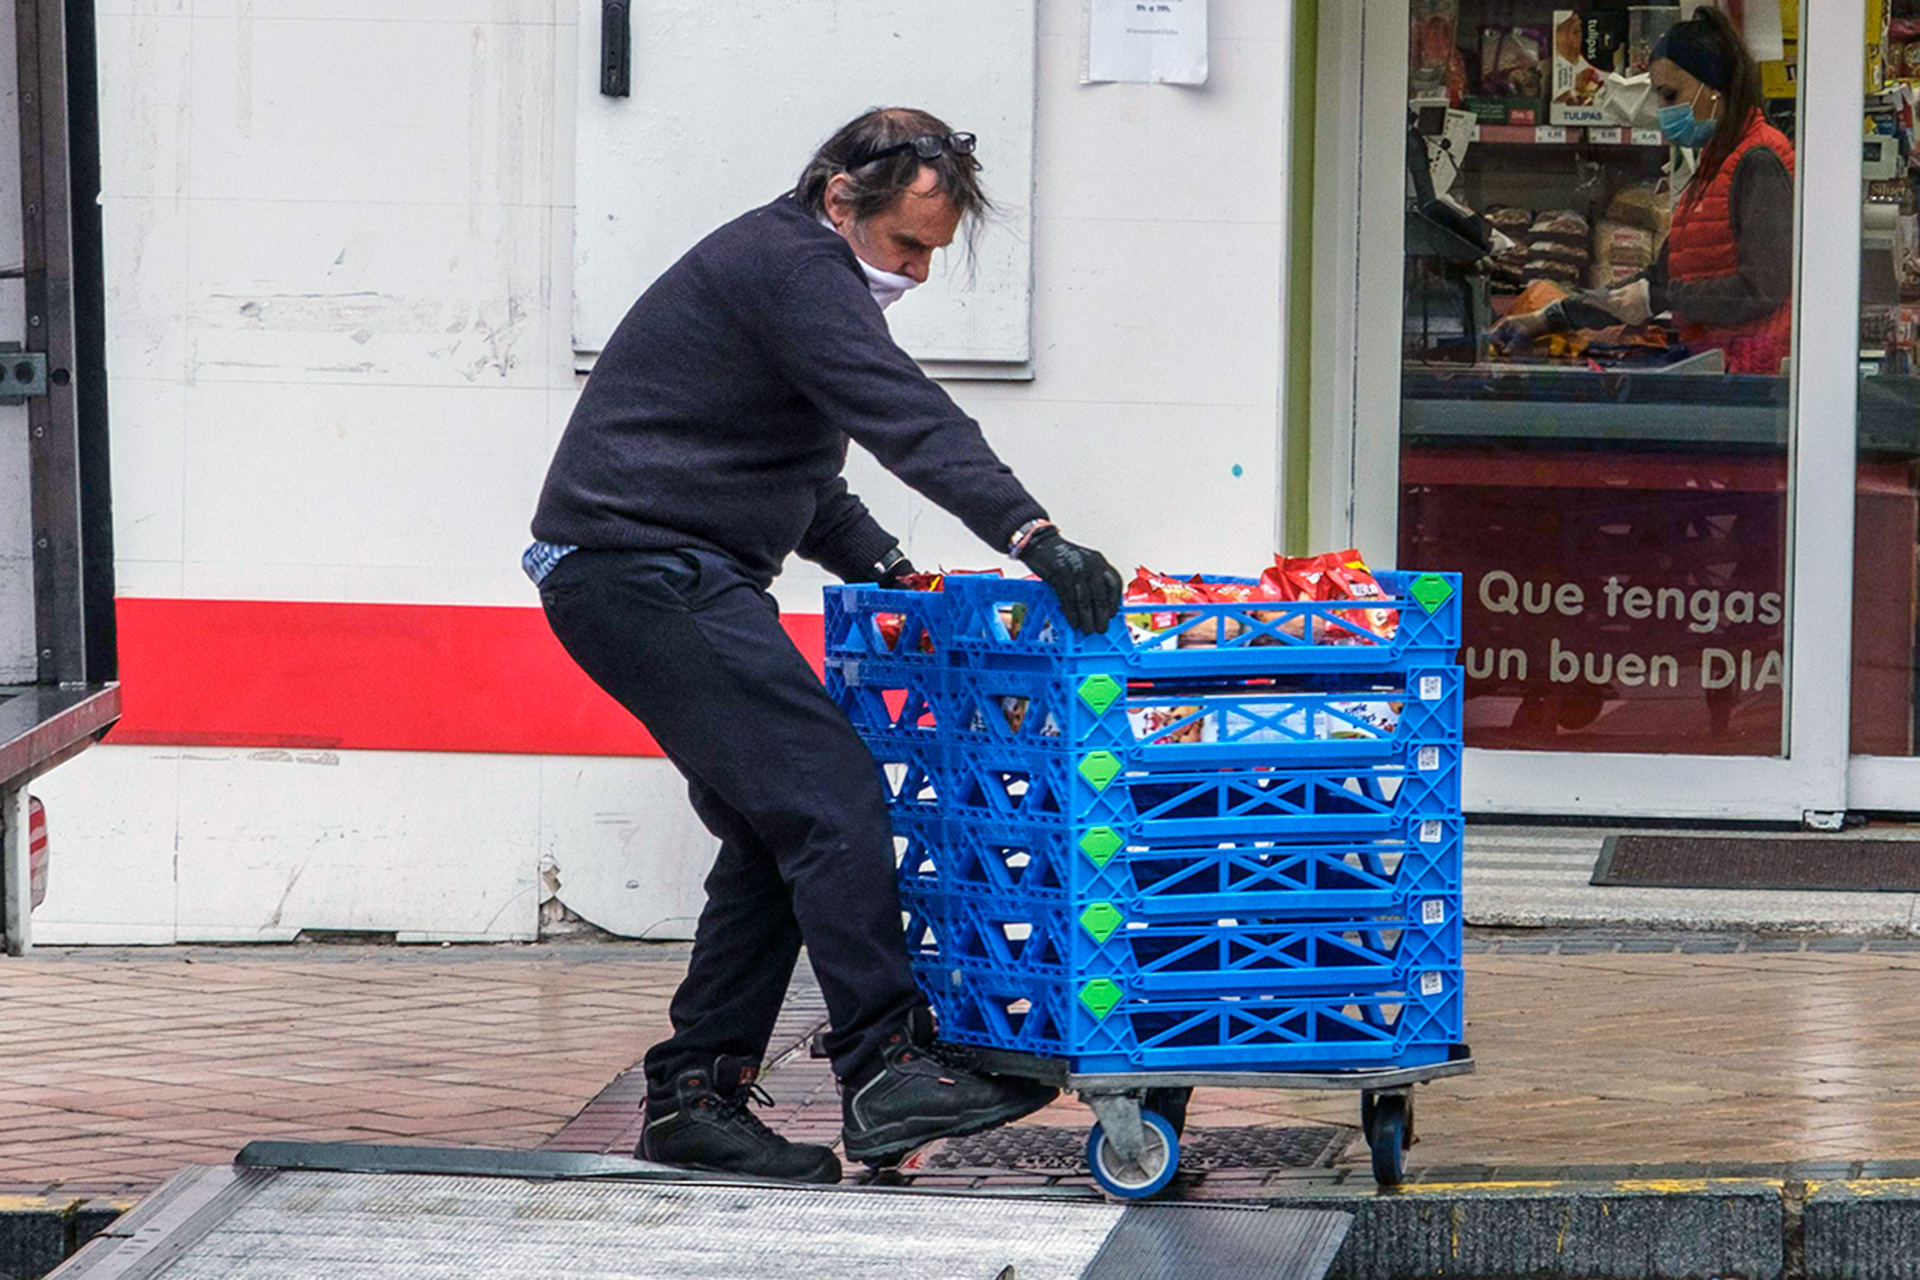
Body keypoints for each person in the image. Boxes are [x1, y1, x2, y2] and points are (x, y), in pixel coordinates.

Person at [524, 107, 1124, 1183]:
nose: (919, 273)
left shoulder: (789, 271)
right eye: (908, 246)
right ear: (841, 197)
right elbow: (904, 414)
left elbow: (793, 471)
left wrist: (891, 571)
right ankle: (886, 1065)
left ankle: (693, 1098)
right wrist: (1032, 532)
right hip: (643, 570)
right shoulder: (793, 267)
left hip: (652, 573)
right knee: (836, 798)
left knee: (774, 830)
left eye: (935, 254)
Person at [1493, 9, 1794, 375]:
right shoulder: (1715, 167)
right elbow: (1660, 279)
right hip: (1720, 367)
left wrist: (1659, 298)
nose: (1664, 111)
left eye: (1670, 95)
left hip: (1754, 379)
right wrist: (1551, 317)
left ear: (1714, 88)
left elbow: (1761, 289)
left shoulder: (1759, 160)